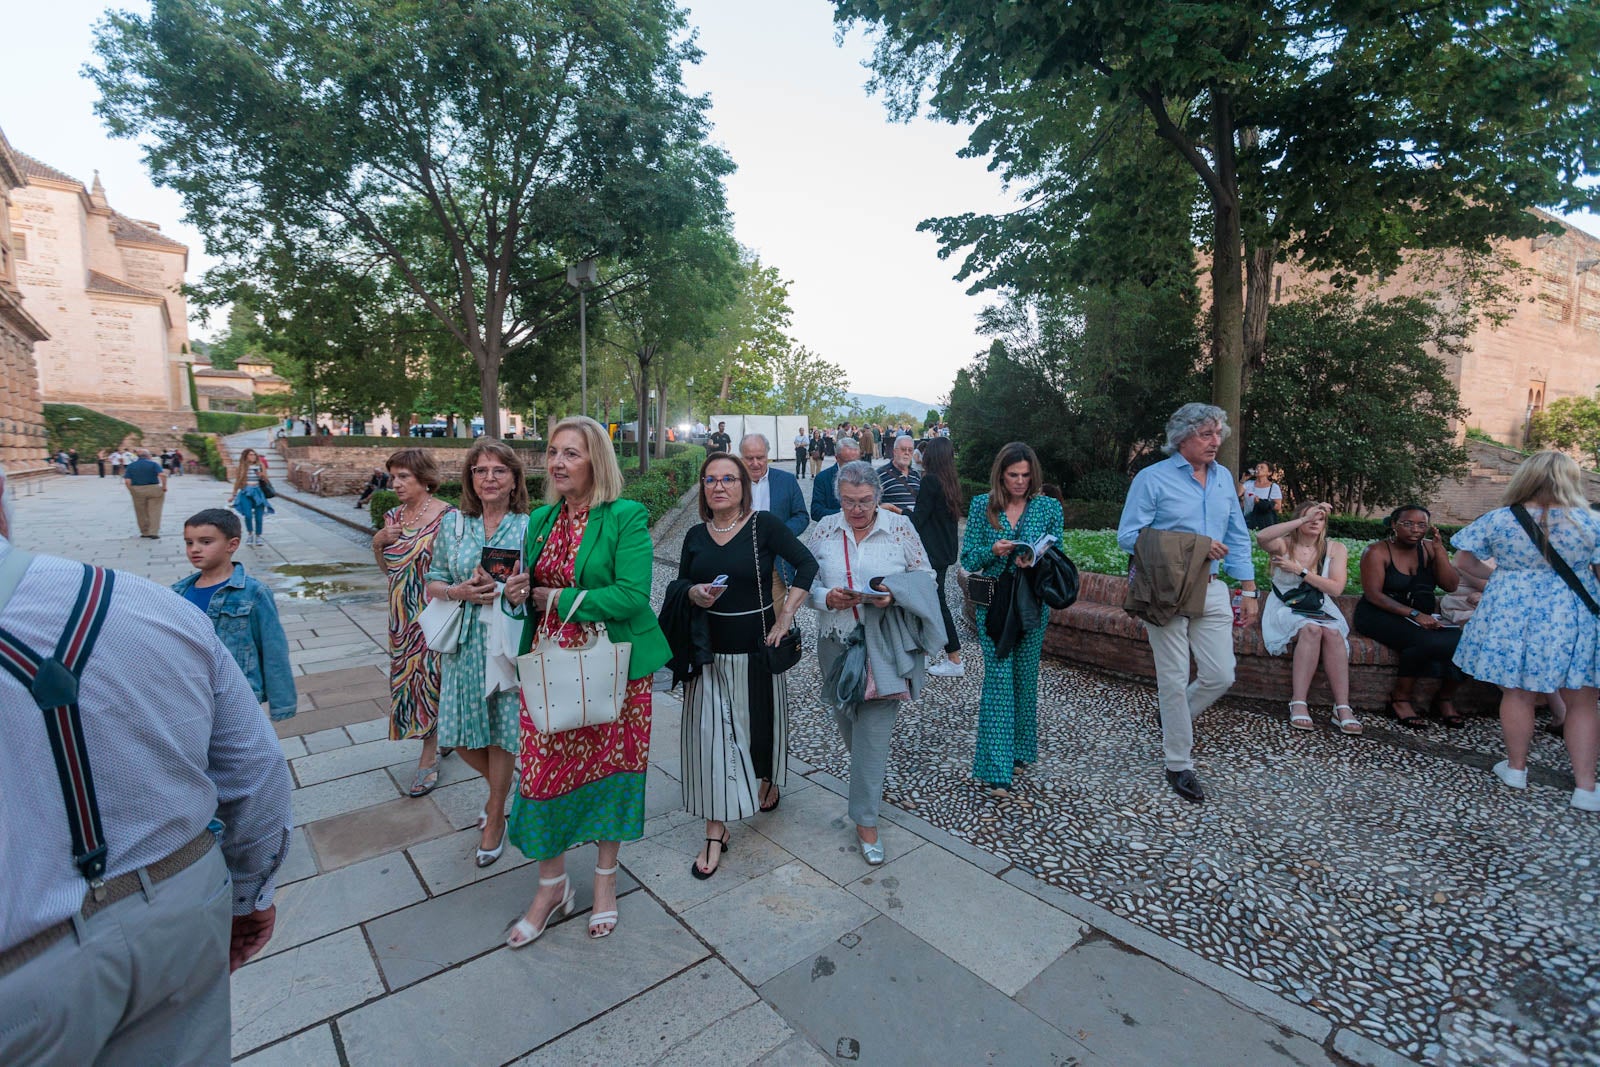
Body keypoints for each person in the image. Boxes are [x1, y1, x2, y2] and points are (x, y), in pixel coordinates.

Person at [0, 487, 292, 1064]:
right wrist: (249, 890)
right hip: (181, 899)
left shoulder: (231, 594)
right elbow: (256, 771)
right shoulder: (150, 600)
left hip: (28, 967)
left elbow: (258, 735)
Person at [502, 416, 672, 945]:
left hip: (614, 671)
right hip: (549, 665)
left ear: (596, 460)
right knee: (541, 774)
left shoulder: (625, 516)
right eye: (553, 452)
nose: (557, 462)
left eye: (571, 453)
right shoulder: (540, 520)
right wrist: (515, 594)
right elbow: (526, 596)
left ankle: (604, 884)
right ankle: (551, 886)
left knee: (612, 772)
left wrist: (554, 598)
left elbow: (631, 595)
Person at [673, 451, 817, 877]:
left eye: (728, 479)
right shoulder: (695, 535)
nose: (719, 486)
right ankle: (716, 830)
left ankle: (768, 779)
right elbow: (680, 582)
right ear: (703, 487)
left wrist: (786, 616)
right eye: (711, 479)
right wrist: (692, 593)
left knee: (758, 732)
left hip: (756, 650)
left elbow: (807, 564)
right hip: (708, 654)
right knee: (712, 742)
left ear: (743, 486)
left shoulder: (763, 526)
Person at [1117, 404, 1259, 803]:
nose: (1215, 442)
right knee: (1174, 678)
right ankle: (1178, 762)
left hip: (1212, 587)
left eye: (1218, 434)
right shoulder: (1152, 479)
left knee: (1221, 675)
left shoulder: (1223, 479)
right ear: (1181, 438)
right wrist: (1193, 546)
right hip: (1165, 588)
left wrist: (1248, 589)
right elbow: (1128, 536)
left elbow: (1238, 533)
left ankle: (1172, 714)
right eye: (1206, 434)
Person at [805, 461, 944, 864]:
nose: (857, 510)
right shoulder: (826, 529)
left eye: (865, 501)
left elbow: (927, 576)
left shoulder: (900, 528)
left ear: (878, 497)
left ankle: (866, 821)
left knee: (873, 733)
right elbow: (806, 581)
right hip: (835, 643)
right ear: (839, 498)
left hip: (884, 643)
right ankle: (869, 779)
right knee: (849, 722)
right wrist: (826, 597)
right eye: (849, 501)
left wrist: (892, 594)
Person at [1449, 451, 1599, 810]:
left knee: (1517, 693)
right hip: (1572, 615)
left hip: (1512, 614)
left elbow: (1463, 560)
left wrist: (1506, 577)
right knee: (1583, 700)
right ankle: (1586, 789)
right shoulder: (1591, 522)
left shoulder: (1500, 520)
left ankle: (1516, 769)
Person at [424, 439, 530, 868]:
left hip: (502, 640)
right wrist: (458, 591)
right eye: (480, 470)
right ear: (470, 478)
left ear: (514, 479)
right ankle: (508, 792)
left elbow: (533, 584)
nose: (488, 478)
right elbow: (432, 580)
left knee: (502, 731)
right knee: (459, 735)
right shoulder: (453, 525)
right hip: (463, 642)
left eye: (498, 470)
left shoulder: (528, 525)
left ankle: (496, 817)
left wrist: (510, 592)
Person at [961, 443, 1064, 792]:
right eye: (1012, 475)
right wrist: (993, 550)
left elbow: (1057, 551)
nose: (1020, 481)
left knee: (1024, 678)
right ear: (1000, 475)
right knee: (999, 680)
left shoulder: (1048, 507)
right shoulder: (981, 506)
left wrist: (1033, 558)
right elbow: (969, 559)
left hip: (1031, 603)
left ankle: (1019, 751)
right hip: (992, 602)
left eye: (1025, 475)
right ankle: (995, 767)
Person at [371, 449, 456, 797]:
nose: (396, 484)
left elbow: (456, 567)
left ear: (424, 478)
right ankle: (443, 735)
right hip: (401, 618)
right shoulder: (393, 517)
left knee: (432, 679)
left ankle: (427, 755)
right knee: (410, 681)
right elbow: (389, 570)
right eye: (393, 477)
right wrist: (378, 544)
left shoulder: (447, 517)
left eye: (404, 476)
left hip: (434, 614)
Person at [172, 508, 298, 722]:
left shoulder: (253, 593)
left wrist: (282, 704)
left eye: (205, 542)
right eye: (189, 542)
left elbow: (273, 649)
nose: (195, 549)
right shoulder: (177, 593)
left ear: (232, 544)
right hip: (191, 694)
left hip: (238, 696)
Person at [1354, 504, 1464, 729]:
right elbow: (1374, 595)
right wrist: (1414, 614)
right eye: (1408, 523)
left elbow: (1451, 585)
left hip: (1421, 616)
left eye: (1421, 525)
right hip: (1379, 614)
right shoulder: (1377, 551)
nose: (1415, 529)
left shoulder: (1429, 550)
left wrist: (1440, 552)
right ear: (1394, 525)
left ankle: (1444, 698)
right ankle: (1400, 698)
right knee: (1422, 640)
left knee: (1467, 641)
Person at [1255, 501, 1359, 734]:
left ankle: (1342, 706)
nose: (1314, 522)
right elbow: (1262, 537)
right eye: (1309, 518)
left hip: (1320, 605)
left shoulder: (1335, 549)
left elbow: (1335, 589)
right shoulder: (1284, 545)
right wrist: (1302, 519)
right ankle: (1298, 701)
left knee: (1332, 632)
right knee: (1312, 629)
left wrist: (1299, 570)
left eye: (1319, 518)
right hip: (1285, 607)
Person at [913, 436, 965, 678]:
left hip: (931, 553)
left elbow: (917, 520)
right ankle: (923, 654)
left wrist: (895, 511)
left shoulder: (930, 482)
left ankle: (954, 658)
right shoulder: (950, 482)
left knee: (936, 604)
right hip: (945, 551)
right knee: (930, 602)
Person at [741, 433, 809, 591]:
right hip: (739, 561)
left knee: (774, 614)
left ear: (768, 455)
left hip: (775, 565)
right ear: (741, 457)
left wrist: (779, 535)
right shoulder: (732, 481)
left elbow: (802, 516)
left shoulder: (787, 480)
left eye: (760, 457)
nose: (755, 463)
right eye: (749, 458)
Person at [228, 448, 274, 547]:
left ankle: (258, 536)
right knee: (248, 515)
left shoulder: (260, 465)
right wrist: (233, 495)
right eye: (250, 455)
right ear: (246, 456)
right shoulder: (242, 467)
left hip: (258, 492)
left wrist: (261, 475)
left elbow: (266, 479)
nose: (253, 456)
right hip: (246, 492)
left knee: (259, 517)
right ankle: (250, 534)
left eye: (254, 454)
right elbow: (238, 481)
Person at [123, 447, 168, 539]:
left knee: (140, 512)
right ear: (148, 456)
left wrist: (131, 490)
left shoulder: (131, 466)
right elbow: (162, 475)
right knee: (155, 511)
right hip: (153, 488)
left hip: (137, 489)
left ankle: (145, 532)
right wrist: (164, 486)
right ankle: (154, 532)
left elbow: (127, 481)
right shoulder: (153, 464)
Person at [811, 435, 860, 521]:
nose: (853, 467)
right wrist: (844, 513)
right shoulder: (823, 478)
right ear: (837, 458)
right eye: (848, 462)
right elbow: (816, 512)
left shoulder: (867, 476)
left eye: (856, 462)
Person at [878, 435, 921, 515]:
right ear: (895, 452)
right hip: (892, 524)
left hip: (915, 524)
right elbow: (872, 505)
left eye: (910, 450)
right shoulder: (880, 474)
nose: (907, 453)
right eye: (903, 449)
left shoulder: (916, 475)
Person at [1239, 463, 1283, 530]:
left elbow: (1278, 506)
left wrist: (1261, 503)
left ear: (1269, 473)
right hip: (1248, 519)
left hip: (1264, 521)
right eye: (1257, 467)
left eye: (1262, 467)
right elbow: (1238, 494)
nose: (1258, 469)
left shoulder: (1273, 487)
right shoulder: (1248, 484)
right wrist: (1243, 480)